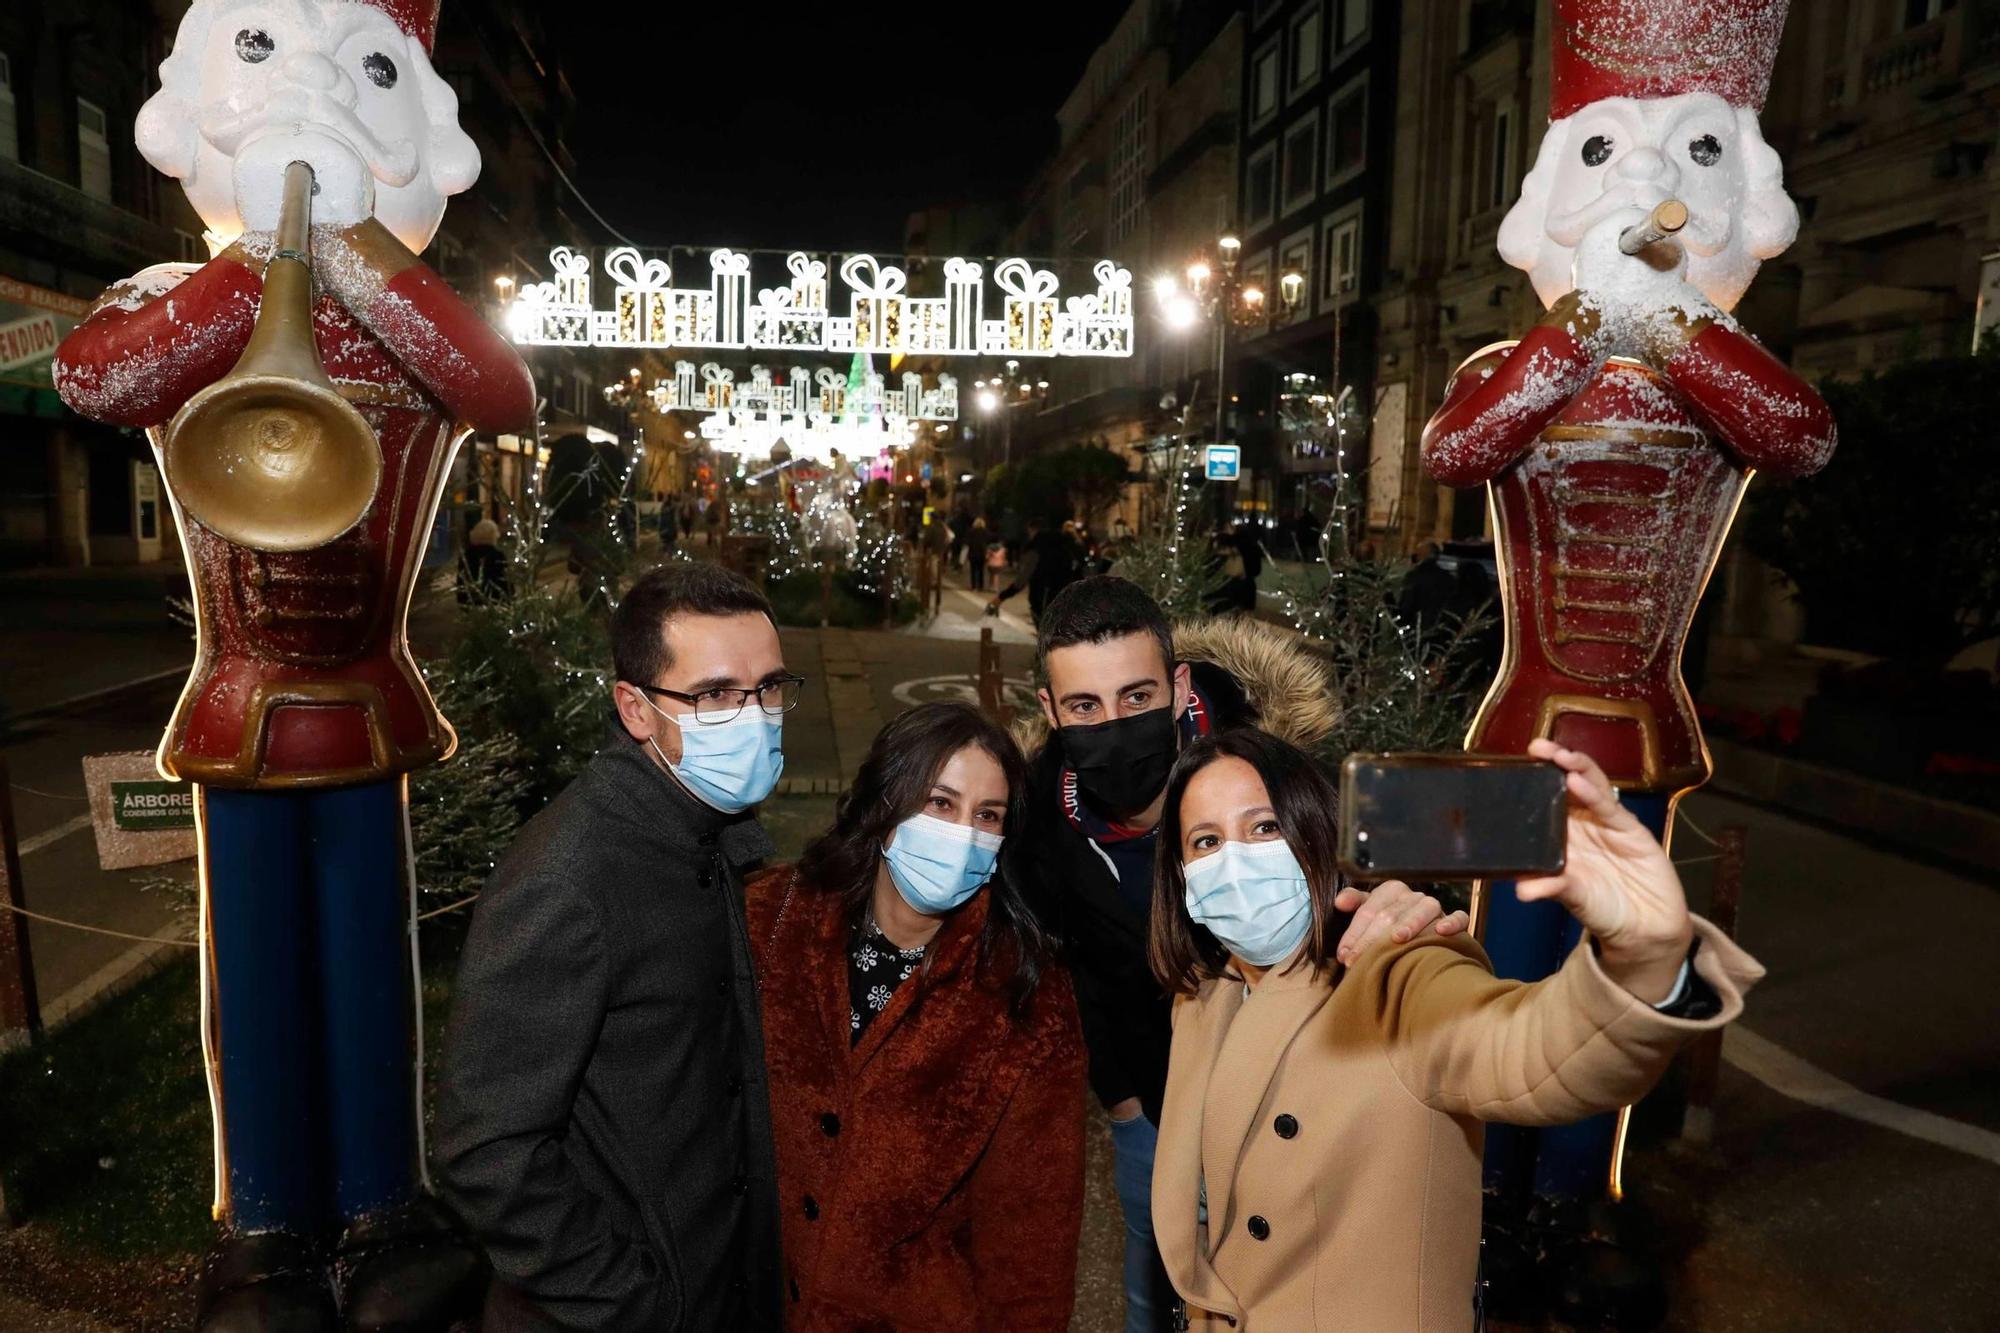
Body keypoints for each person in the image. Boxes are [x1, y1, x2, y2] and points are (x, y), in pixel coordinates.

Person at [1147, 729, 1761, 1330]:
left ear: (1316, 835)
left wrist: (1644, 954)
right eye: (1205, 841)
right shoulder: (1202, 1001)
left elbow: (1540, 1056)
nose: (1234, 862)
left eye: (1263, 827)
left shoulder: (1398, 972)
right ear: (1181, 875)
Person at [1016, 577, 1468, 1333]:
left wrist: (1413, 912)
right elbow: (1073, 964)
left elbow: (1378, 893)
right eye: (1085, 706)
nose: (1114, 723)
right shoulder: (1042, 825)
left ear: (1179, 684)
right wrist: (1124, 1103)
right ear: (1051, 710)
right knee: (1156, 1291)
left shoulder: (1277, 773)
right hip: (1157, 1110)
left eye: (1136, 695)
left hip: (1302, 1092)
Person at [437, 563, 798, 1331]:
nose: (757, 716)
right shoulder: (569, 877)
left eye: (769, 686)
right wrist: (635, 1303)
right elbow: (486, 1150)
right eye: (715, 695)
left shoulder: (709, 828)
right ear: (635, 709)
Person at [743, 702, 1086, 1330]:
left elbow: (1030, 1236)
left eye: (988, 816)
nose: (964, 834)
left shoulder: (1027, 998)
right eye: (939, 803)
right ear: (885, 805)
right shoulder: (770, 919)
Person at [988, 516, 1080, 623]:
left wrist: (1000, 598)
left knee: (1044, 621)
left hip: (1043, 596)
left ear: (1032, 529)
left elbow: (1023, 579)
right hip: (1067, 594)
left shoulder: (1036, 547)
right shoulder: (1064, 543)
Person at [457, 517, 510, 604]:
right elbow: (504, 583)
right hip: (496, 603)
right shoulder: (498, 556)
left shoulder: (466, 556)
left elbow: (461, 583)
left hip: (471, 604)